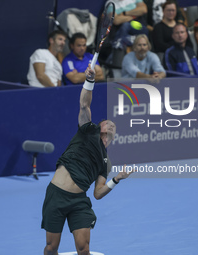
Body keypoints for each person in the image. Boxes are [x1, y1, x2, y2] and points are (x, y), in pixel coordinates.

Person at [42, 65, 134, 255]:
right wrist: (90, 81)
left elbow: (98, 193)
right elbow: (84, 104)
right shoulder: (88, 131)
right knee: (52, 248)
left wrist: (116, 180)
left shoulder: (106, 162)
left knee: (84, 249)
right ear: (98, 126)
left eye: (113, 125)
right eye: (106, 121)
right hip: (56, 196)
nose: (110, 123)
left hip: (79, 202)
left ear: (114, 135)